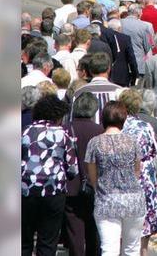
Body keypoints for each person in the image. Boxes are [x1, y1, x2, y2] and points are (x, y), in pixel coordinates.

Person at [84, 102, 146, 256]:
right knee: (131, 249)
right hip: (133, 200)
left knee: (109, 248)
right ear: (123, 119)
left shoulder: (94, 142)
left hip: (107, 200)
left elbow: (92, 175)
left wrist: (99, 188)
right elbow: (137, 171)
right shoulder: (132, 141)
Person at [22, 96, 77, 256]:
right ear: (58, 115)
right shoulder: (63, 134)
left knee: (24, 240)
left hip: (26, 190)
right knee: (48, 241)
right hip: (53, 190)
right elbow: (72, 169)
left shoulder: (25, 131)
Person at [119, 90, 157, 256]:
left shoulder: (118, 126)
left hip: (123, 174)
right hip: (145, 175)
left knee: (123, 218)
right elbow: (154, 150)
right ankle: (143, 251)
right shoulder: (145, 126)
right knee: (145, 218)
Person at [64, 93, 104, 256]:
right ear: (94, 110)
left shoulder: (65, 129)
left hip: (71, 185)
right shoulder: (100, 131)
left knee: (74, 230)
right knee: (94, 229)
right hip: (95, 186)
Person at [72, 52, 123, 124]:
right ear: (108, 69)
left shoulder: (79, 92)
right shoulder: (120, 92)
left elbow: (72, 120)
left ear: (90, 70)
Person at [121, 4, 155, 78]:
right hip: (138, 63)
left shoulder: (119, 23)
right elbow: (147, 46)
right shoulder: (144, 26)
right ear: (138, 14)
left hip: (122, 63)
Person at [107, 19, 140, 87]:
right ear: (119, 28)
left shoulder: (106, 37)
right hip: (122, 74)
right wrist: (135, 74)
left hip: (108, 74)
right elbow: (131, 57)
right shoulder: (125, 38)